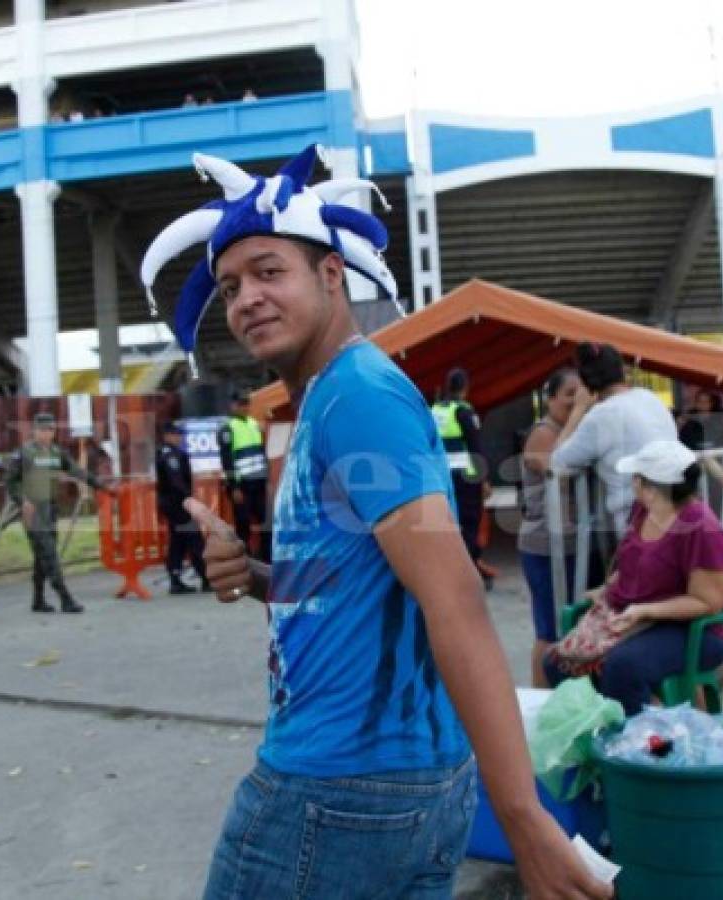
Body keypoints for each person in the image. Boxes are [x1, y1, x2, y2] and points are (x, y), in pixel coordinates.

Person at [140, 146, 611, 900]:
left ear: (331, 276)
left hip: (335, 793)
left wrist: (523, 820)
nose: (246, 299)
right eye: (230, 286)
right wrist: (257, 574)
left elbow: (452, 597)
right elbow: (367, 578)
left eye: (269, 271)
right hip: (386, 787)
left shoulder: (358, 396)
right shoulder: (333, 396)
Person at [542, 439, 723, 715]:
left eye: (636, 479)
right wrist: (608, 588)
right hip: (632, 614)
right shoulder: (643, 511)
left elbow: (708, 602)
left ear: (652, 488)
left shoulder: (702, 528)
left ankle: (637, 746)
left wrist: (645, 610)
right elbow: (635, 561)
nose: (633, 483)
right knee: (557, 662)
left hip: (690, 629)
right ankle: (596, 730)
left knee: (623, 667)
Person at [551, 341, 676, 536]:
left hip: (638, 520)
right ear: (622, 370)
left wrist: (578, 409)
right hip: (677, 507)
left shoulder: (602, 415)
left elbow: (556, 464)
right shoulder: (650, 398)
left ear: (586, 383)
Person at [6, 411, 114, 614]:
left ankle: (38, 600)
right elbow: (10, 481)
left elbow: (76, 470)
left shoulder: (57, 453)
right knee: (49, 554)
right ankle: (66, 598)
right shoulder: (25, 453)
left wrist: (99, 485)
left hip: (51, 510)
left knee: (42, 557)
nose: (46, 434)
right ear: (34, 431)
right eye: (42, 430)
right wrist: (22, 501)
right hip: (33, 512)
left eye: (50, 430)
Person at [518, 368, 582, 686]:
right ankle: (540, 699)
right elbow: (557, 467)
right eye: (570, 393)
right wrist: (579, 414)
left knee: (572, 626)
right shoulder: (544, 433)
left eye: (581, 393)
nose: (576, 400)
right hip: (545, 545)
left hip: (572, 544)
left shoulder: (576, 430)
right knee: (549, 630)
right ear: (551, 399)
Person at [431, 367, 497, 584]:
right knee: (469, 523)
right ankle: (468, 569)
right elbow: (475, 446)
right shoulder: (463, 411)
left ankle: (446, 568)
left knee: (447, 521)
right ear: (465, 387)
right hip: (466, 477)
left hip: (441, 476)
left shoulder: (434, 411)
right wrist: (484, 479)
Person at [155, 421, 209, 595]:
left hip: (173, 504)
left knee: (178, 542)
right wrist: (189, 500)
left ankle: (175, 578)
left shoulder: (166, 453)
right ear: (167, 435)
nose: (179, 438)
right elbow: (176, 481)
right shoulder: (171, 455)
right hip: (178, 504)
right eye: (176, 435)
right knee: (194, 540)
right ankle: (205, 577)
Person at [217, 391, 270, 562]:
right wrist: (234, 487)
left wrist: (266, 479)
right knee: (243, 524)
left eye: (246, 404)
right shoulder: (228, 428)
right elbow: (227, 461)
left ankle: (266, 557)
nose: (245, 407)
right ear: (233, 406)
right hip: (242, 486)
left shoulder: (253, 424)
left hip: (258, 483)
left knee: (266, 523)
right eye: (241, 404)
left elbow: (261, 453)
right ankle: (246, 559)